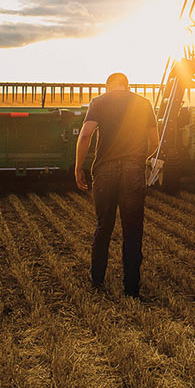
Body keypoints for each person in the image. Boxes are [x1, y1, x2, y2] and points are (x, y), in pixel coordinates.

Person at [74, 72, 159, 298]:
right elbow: (155, 142)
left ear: (108, 86)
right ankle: (131, 288)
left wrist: (78, 166)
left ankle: (97, 280)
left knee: (104, 227)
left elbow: (85, 136)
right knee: (133, 231)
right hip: (133, 172)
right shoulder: (143, 103)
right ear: (127, 85)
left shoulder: (99, 102)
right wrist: (139, 159)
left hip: (104, 172)